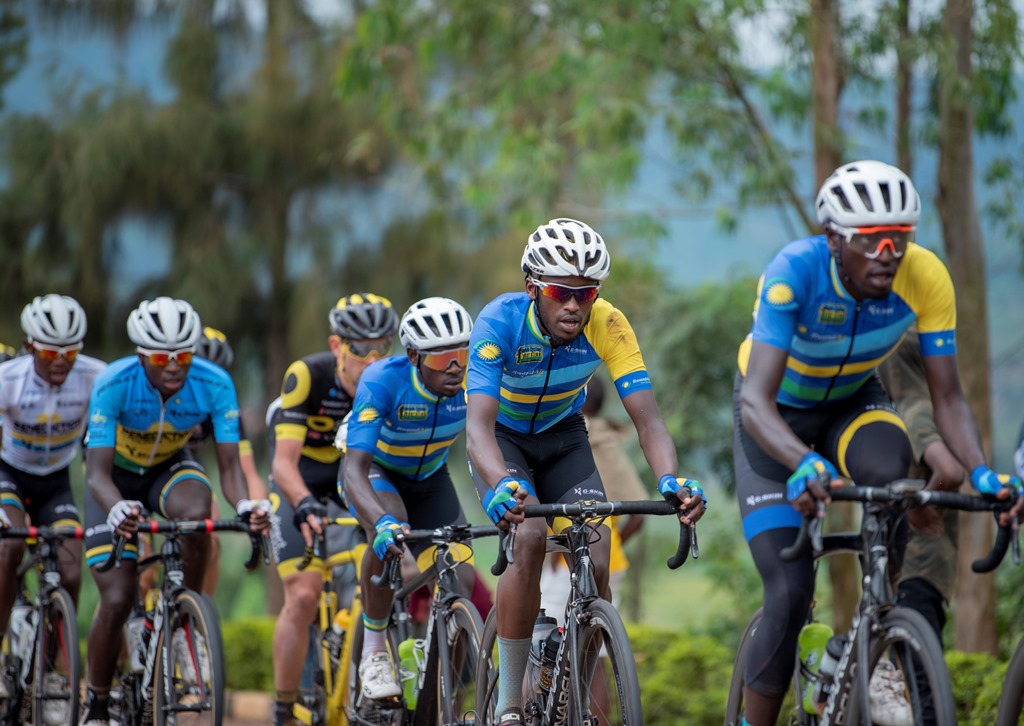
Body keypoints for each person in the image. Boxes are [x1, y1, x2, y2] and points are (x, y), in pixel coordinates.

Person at [733, 160, 1024, 726]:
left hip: (851, 400)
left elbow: (949, 399)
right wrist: (803, 462)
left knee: (892, 476)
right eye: (872, 240)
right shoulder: (794, 271)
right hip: (775, 416)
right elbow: (755, 403)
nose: (889, 251)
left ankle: (869, 632)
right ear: (833, 238)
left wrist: (983, 472)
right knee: (790, 595)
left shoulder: (926, 276)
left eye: (901, 237)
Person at [466, 217, 706, 725]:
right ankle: (509, 702)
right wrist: (500, 484)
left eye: (587, 293)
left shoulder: (608, 323)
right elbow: (478, 429)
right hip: (504, 441)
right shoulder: (499, 323)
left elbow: (648, 418)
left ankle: (571, 692)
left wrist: (669, 478)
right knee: (529, 536)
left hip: (564, 437)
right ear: (533, 287)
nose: (575, 305)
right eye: (560, 292)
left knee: (598, 554)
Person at [81, 297, 271, 726]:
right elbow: (95, 475)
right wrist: (115, 509)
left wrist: (245, 504)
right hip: (114, 477)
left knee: (196, 511)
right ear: (141, 354)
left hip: (169, 469)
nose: (174, 365)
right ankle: (95, 704)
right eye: (162, 357)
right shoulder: (113, 383)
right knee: (116, 596)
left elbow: (228, 466)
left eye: (183, 355)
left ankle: (184, 616)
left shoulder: (215, 381)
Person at [268, 292, 398, 726]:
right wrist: (303, 503)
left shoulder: (392, 380)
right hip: (299, 482)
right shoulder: (307, 374)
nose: (373, 358)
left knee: (385, 569)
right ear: (337, 346)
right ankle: (284, 708)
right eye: (361, 349)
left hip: (351, 480)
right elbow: (283, 463)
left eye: (384, 347)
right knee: (303, 595)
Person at [341, 296, 475, 700]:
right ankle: (375, 649)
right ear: (414, 355)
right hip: (376, 473)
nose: (454, 366)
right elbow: (354, 468)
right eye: (440, 358)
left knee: (462, 574)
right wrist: (379, 523)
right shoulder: (383, 380)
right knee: (392, 532)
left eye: (461, 353)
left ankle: (439, 685)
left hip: (431, 477)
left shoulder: (474, 381)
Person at [0, 295, 105, 714]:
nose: (61, 361)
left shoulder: (96, 377)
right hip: (9, 472)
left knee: (71, 568)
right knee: (8, 547)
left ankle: (50, 672)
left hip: (56, 480)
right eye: (49, 351)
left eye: (70, 351)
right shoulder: (8, 379)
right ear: (29, 346)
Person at [136, 326, 268, 598]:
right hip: (141, 476)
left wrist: (258, 514)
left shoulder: (220, 402)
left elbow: (246, 470)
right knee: (143, 575)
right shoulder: (161, 397)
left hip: (185, 479)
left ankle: (198, 613)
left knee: (211, 535)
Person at [538, 375, 647, 621]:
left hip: (564, 561)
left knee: (554, 634)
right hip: (611, 558)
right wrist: (613, 543)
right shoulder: (608, 442)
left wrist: (557, 553)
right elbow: (638, 516)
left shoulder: (562, 436)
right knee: (596, 636)